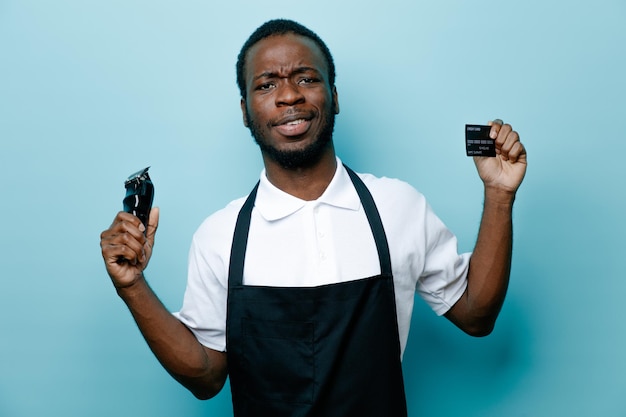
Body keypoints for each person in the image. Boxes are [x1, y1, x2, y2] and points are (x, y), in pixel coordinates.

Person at [100, 18, 527, 417]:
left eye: (306, 78)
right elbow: (207, 377)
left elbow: (476, 315)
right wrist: (132, 287)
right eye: (267, 85)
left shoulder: (398, 206)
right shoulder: (220, 236)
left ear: (334, 97)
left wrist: (499, 194)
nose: (289, 96)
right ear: (246, 110)